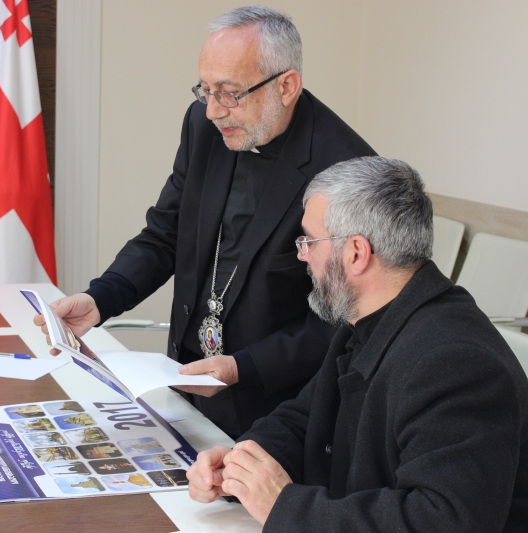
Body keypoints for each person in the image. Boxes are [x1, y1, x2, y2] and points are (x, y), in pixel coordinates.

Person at [35, 6, 376, 439]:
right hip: (185, 379)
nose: (214, 110)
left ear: (286, 86)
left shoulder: (348, 169)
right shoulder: (204, 126)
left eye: (230, 93)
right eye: (206, 90)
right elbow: (165, 234)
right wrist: (101, 297)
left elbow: (345, 318)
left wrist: (243, 367)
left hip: (279, 408)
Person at [187, 156, 528, 531]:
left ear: (356, 253)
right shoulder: (370, 319)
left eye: (309, 241)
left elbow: (443, 521)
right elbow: (305, 419)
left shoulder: (456, 362)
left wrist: (283, 507)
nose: (302, 255)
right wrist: (240, 466)